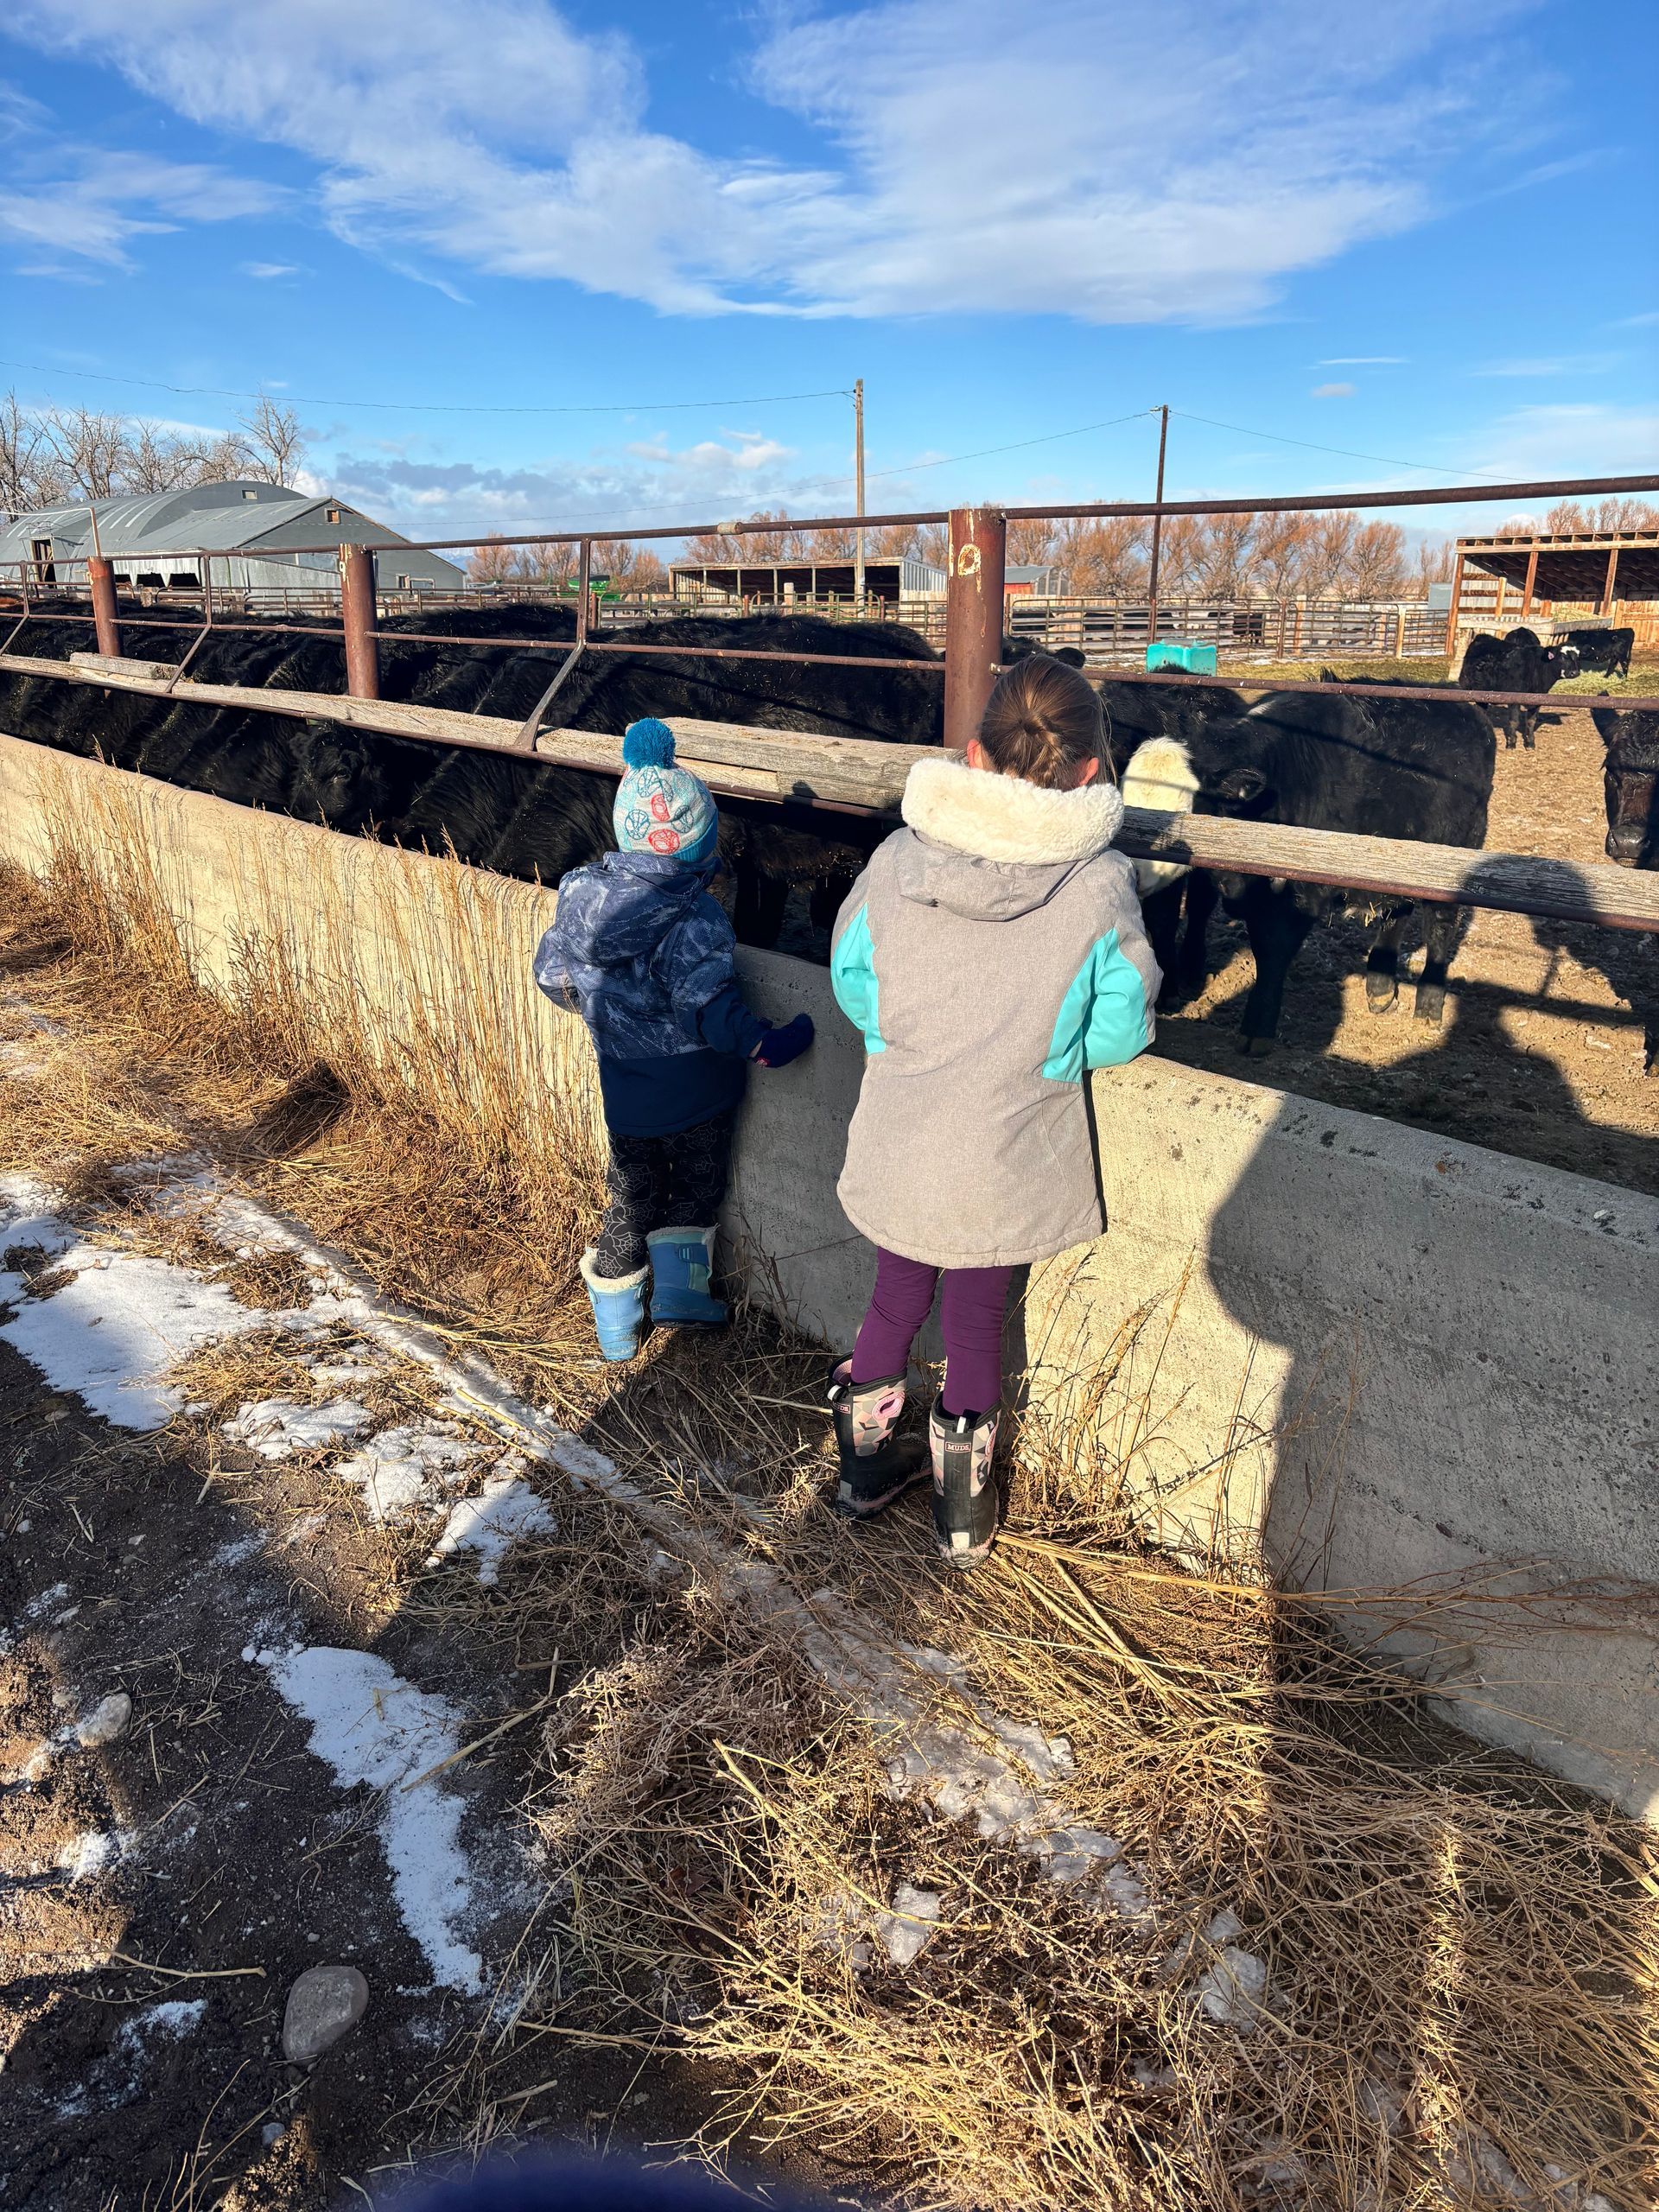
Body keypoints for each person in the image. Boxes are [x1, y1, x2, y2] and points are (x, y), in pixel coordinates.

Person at [827, 655, 1161, 1567]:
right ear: (1092, 770)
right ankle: (963, 1514)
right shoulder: (1098, 885)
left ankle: (860, 1470)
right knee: (975, 1320)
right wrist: (1047, 1056)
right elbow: (1126, 1024)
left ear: (973, 753)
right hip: (1006, 1152)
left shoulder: (899, 859)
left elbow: (854, 978)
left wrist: (911, 1043)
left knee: (894, 1297)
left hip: (905, 1133)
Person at [534, 718, 813, 1361]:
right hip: (700, 1095)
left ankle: (615, 1328)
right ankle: (683, 1297)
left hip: (627, 1092)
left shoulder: (578, 899)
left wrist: (606, 1012)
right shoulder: (697, 918)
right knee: (695, 1188)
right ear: (699, 848)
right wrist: (769, 1043)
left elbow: (552, 978)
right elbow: (712, 1010)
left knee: (630, 1200)